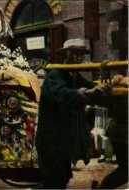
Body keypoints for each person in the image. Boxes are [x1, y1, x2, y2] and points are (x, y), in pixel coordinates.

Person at [35, 38, 111, 189]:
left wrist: (107, 84)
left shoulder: (74, 76)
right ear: (66, 55)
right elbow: (63, 95)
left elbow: (90, 85)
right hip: (51, 140)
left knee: (62, 179)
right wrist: (87, 92)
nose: (79, 58)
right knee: (54, 182)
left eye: (81, 55)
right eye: (75, 54)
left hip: (63, 140)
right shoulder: (56, 74)